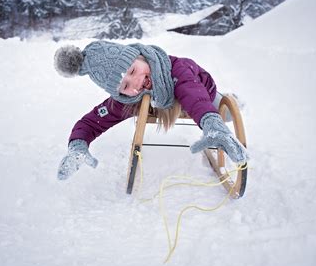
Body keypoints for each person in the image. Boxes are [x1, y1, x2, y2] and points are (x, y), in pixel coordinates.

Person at [53, 40, 249, 180]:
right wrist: (77, 145)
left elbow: (193, 96)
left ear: (140, 57)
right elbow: (91, 122)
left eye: (131, 71)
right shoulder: (131, 98)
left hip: (202, 92)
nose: (136, 83)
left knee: (226, 112)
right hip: (158, 105)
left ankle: (231, 101)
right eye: (125, 86)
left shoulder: (178, 69)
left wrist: (213, 124)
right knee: (141, 99)